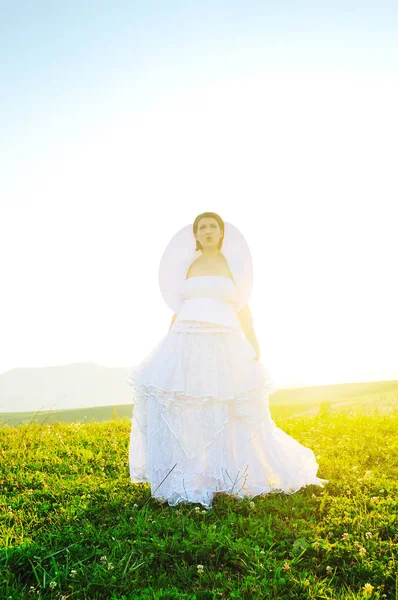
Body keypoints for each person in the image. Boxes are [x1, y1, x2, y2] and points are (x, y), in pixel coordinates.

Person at [126, 211, 328, 509]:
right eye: (202, 227)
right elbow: (178, 307)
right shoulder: (187, 265)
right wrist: (169, 343)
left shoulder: (233, 265)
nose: (208, 231)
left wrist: (254, 340)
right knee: (179, 403)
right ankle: (184, 475)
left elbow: (244, 308)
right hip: (186, 337)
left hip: (225, 341)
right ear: (195, 235)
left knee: (229, 406)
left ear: (221, 233)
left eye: (213, 226)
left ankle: (234, 476)